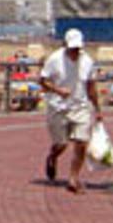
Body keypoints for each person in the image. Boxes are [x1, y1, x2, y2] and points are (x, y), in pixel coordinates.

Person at [39, 28, 103, 195]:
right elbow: (42, 81)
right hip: (58, 106)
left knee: (81, 143)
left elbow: (91, 87)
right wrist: (58, 90)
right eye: (72, 48)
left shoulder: (87, 61)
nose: (75, 52)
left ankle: (73, 179)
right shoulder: (54, 59)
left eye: (77, 49)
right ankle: (52, 157)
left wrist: (97, 109)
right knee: (61, 144)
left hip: (80, 106)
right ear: (65, 45)